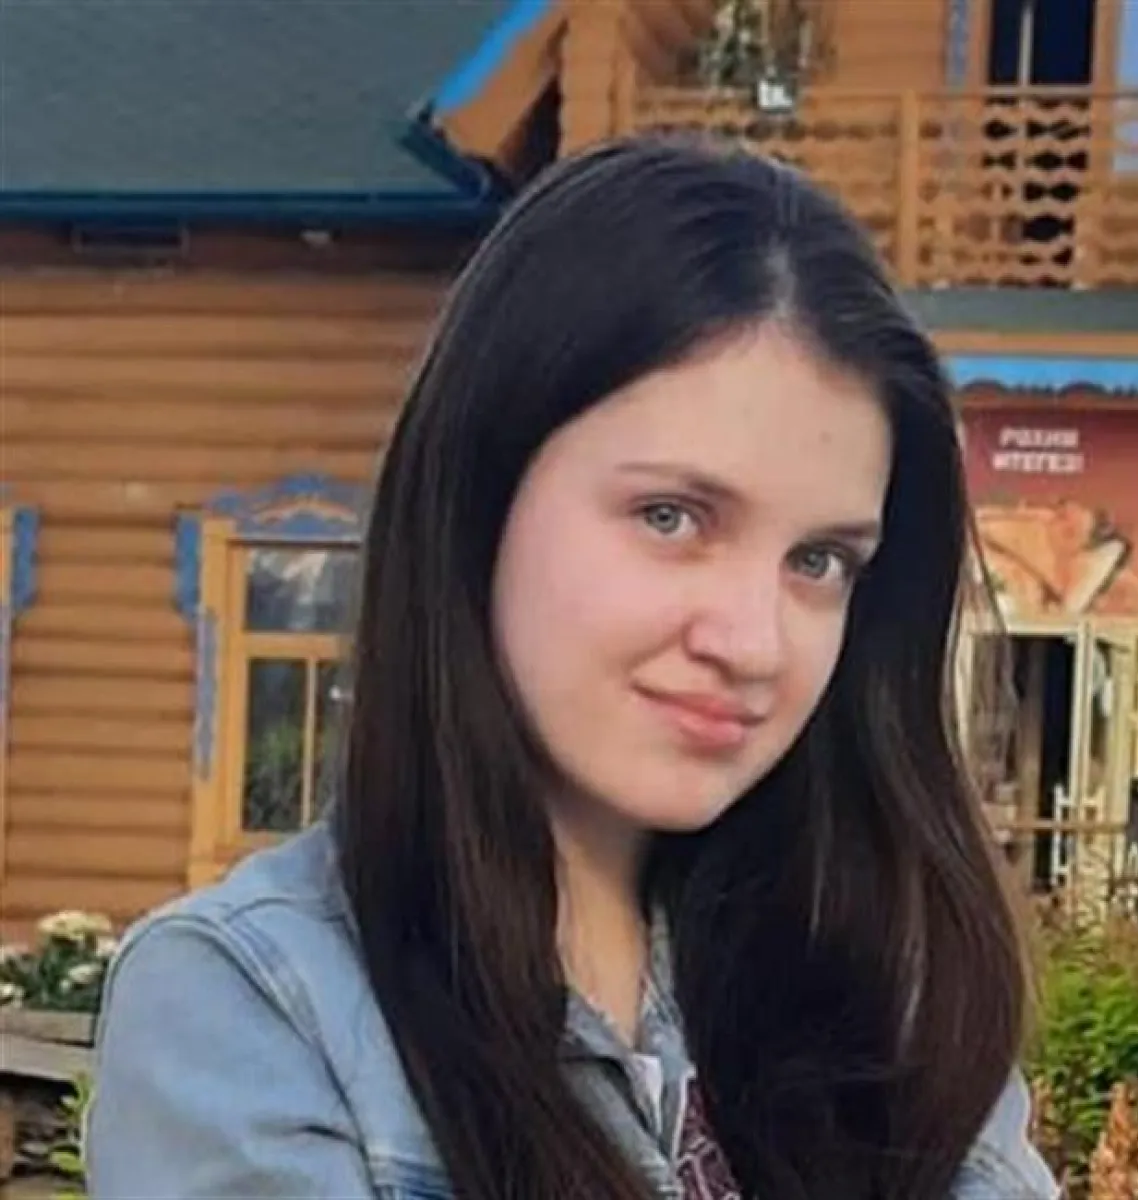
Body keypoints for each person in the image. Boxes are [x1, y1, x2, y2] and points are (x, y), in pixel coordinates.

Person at [85, 135, 1059, 1199]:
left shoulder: (888, 997)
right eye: (671, 516)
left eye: (818, 561)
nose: (753, 643)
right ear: (481, 493)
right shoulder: (255, 1007)